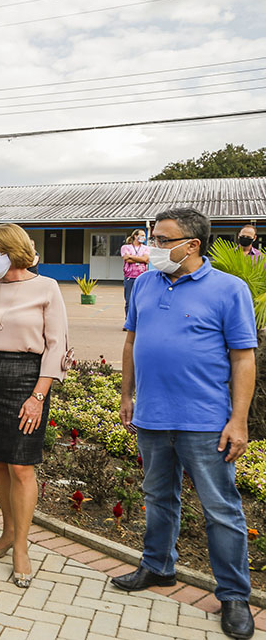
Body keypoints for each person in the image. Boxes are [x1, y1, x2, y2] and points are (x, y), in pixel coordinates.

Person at [113, 208, 256, 640]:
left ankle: (233, 596)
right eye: (153, 238)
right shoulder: (143, 284)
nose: (151, 247)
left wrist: (239, 420)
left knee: (221, 510)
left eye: (161, 240)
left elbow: (243, 357)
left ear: (191, 245)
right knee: (158, 496)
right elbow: (132, 339)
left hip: (205, 422)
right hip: (153, 416)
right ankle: (157, 567)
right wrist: (126, 394)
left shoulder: (230, 289)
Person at [0, 223, 68, 590]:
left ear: (12, 250)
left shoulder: (46, 288)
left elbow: (56, 346)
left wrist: (38, 396)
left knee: (22, 467)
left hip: (29, 379)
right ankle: (7, 532)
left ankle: (22, 548)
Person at [120, 229, 149, 317]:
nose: (144, 237)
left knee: (140, 300)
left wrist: (131, 256)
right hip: (130, 277)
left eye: (144, 236)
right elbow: (126, 259)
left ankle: (137, 321)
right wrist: (139, 258)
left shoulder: (146, 248)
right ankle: (128, 321)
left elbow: (145, 259)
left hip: (142, 276)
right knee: (129, 300)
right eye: (142, 235)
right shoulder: (125, 247)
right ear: (135, 236)